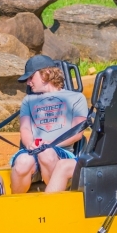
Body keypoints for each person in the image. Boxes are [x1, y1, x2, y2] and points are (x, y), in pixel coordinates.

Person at [10, 55, 89, 194]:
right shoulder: (28, 100)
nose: (28, 82)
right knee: (22, 162)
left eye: (31, 77)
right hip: (33, 151)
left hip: (61, 152)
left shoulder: (76, 98)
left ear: (46, 74)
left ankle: (53, 206)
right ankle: (17, 209)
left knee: (46, 154)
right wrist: (30, 144)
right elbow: (25, 128)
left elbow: (78, 132)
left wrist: (50, 144)